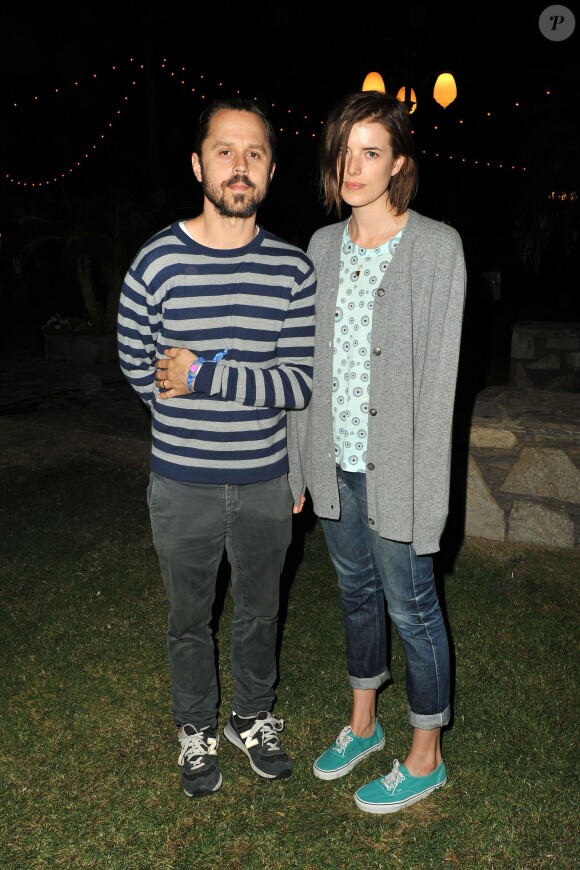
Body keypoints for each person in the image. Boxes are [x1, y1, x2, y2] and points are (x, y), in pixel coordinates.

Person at [117, 97, 315, 798]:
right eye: (226, 151)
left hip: (265, 481)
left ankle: (252, 717)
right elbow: (140, 365)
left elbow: (295, 384)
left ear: (270, 170)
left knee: (263, 611)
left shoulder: (294, 270)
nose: (240, 165)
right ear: (199, 163)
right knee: (187, 618)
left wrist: (203, 374)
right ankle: (195, 727)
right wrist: (183, 411)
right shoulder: (157, 262)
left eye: (255, 152)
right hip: (182, 483)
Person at [288, 90, 466, 814]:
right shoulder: (321, 247)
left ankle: (427, 757)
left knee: (412, 608)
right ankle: (364, 724)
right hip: (335, 463)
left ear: (399, 165)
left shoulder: (435, 247)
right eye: (343, 150)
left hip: (399, 474)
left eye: (370, 151)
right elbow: (306, 366)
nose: (353, 166)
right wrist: (301, 463)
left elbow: (439, 387)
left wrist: (429, 499)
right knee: (355, 595)